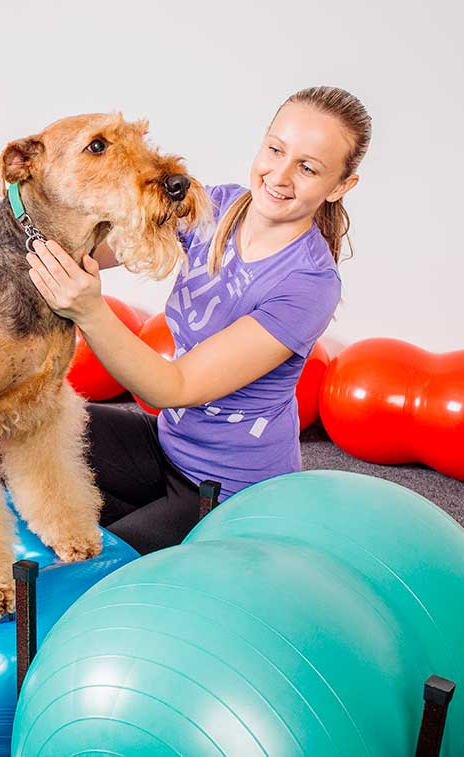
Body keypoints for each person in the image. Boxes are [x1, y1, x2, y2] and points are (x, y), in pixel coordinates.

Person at [26, 86, 371, 554]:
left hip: (227, 492)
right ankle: (137, 521)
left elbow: (174, 388)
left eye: (308, 168)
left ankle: (174, 543)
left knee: (98, 574)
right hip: (167, 444)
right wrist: (47, 201)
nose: (280, 175)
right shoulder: (219, 205)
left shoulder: (310, 283)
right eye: (275, 150)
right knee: (27, 431)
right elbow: (107, 248)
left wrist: (88, 310)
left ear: (340, 186)